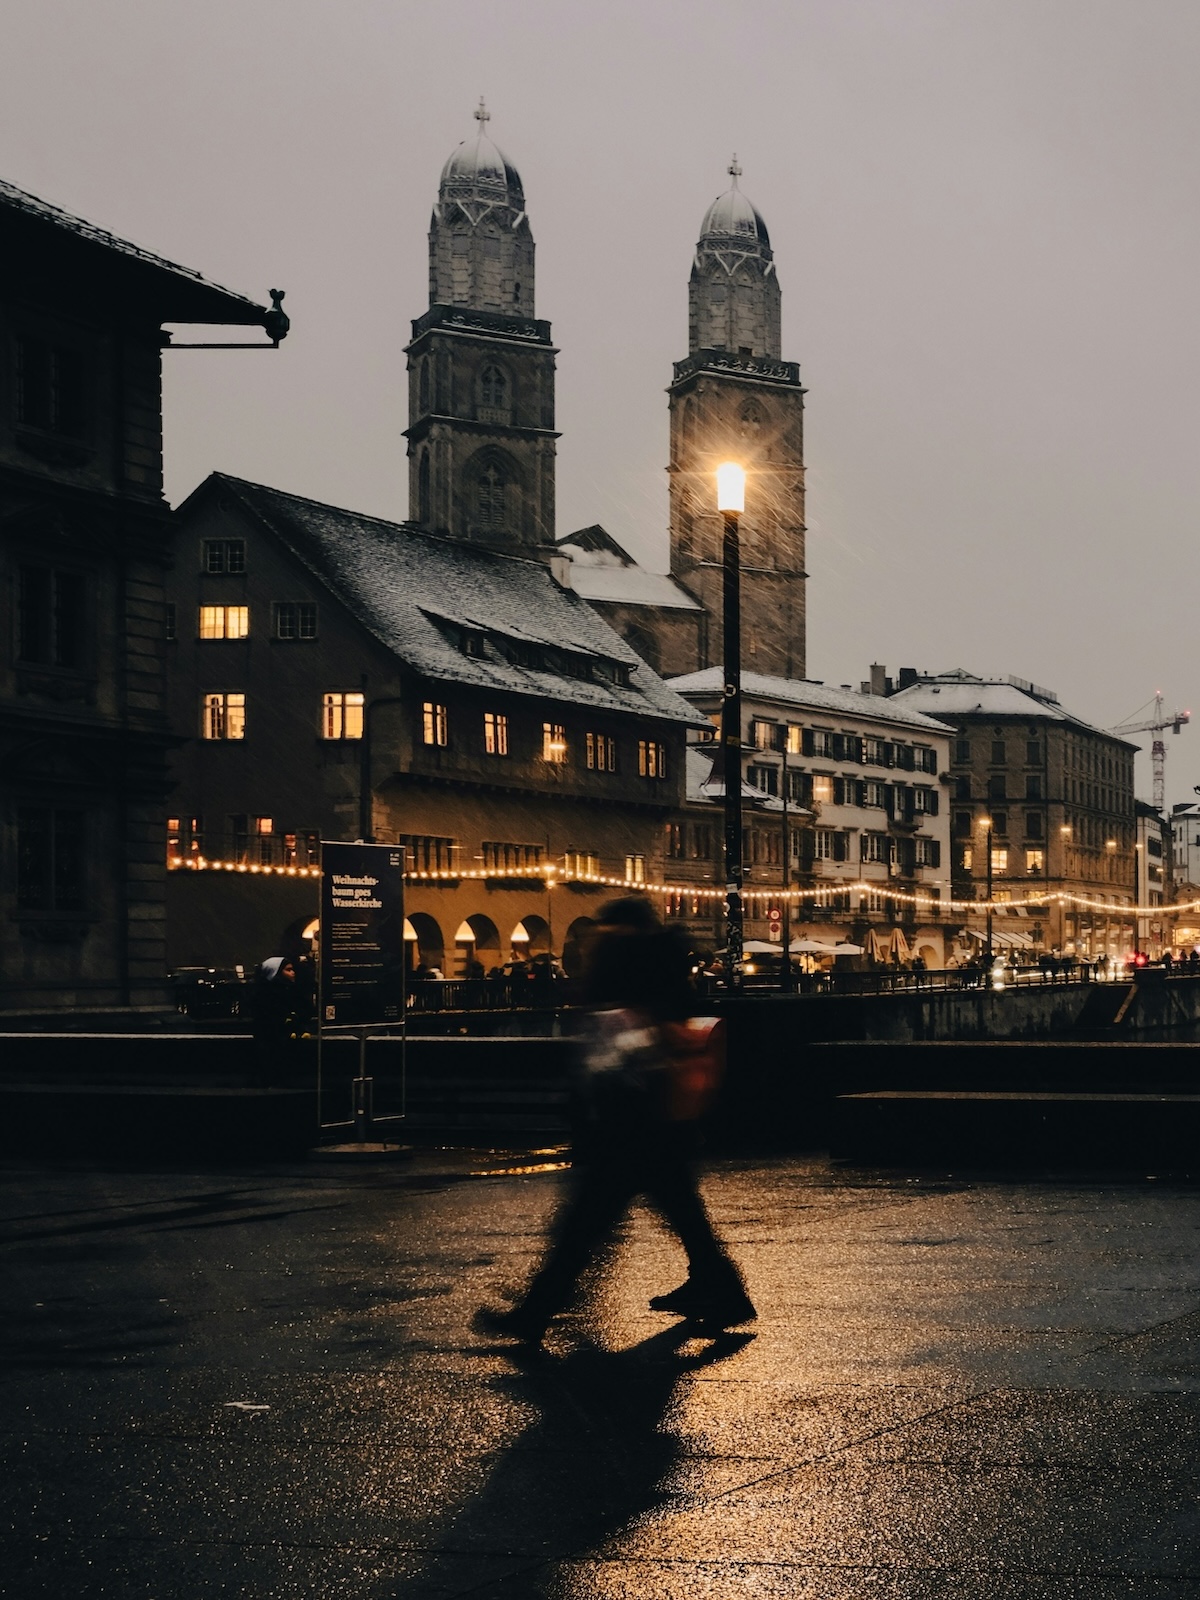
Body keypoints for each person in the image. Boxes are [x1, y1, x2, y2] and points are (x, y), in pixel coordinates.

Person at [475, 896, 754, 1346]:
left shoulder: (627, 974)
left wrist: (593, 1107)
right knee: (676, 1216)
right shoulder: (661, 969)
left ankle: (536, 1312)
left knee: (585, 1224)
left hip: (630, 1122)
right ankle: (722, 1291)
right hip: (658, 1120)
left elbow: (613, 1056)